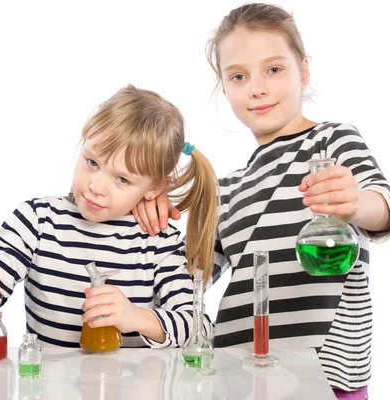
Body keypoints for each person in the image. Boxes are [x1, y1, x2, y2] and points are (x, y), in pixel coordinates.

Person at [134, 4, 390, 398]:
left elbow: (383, 207)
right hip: (238, 378)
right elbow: (186, 285)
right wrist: (147, 212)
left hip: (325, 380)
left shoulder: (332, 142)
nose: (257, 88)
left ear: (303, 70)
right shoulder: (225, 189)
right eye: (239, 76)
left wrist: (354, 203)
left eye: (274, 69)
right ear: (224, 86)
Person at [0, 85, 218, 347]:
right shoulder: (36, 220)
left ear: (154, 188)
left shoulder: (159, 242)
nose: (96, 186)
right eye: (92, 162)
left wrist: (135, 317)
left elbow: (199, 326)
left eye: (122, 179)